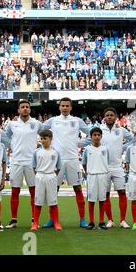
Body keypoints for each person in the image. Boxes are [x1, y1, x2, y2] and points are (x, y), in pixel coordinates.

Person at [41, 97, 90, 228]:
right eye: (62, 105)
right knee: (53, 190)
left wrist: (80, 143)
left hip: (73, 159)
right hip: (57, 160)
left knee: (78, 188)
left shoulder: (77, 121)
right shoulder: (53, 121)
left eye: (67, 106)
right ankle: (52, 219)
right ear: (59, 107)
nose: (65, 108)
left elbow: (91, 134)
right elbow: (40, 130)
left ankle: (82, 219)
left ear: (71, 107)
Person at [4, 100, 45, 229]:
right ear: (18, 110)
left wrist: (40, 149)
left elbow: (46, 135)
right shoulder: (12, 124)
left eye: (27, 107)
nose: (25, 109)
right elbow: (5, 137)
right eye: (22, 107)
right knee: (15, 191)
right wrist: (13, 146)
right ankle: (14, 220)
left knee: (34, 192)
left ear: (30, 109)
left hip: (31, 163)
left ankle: (35, 220)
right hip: (16, 161)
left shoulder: (36, 123)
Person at [100, 107, 134, 229]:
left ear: (115, 117)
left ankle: (123, 220)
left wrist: (123, 148)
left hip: (118, 166)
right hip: (103, 167)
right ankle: (110, 220)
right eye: (107, 115)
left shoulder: (121, 130)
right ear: (104, 117)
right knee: (106, 194)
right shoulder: (100, 130)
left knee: (122, 193)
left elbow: (133, 139)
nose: (109, 117)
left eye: (111, 115)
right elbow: (91, 141)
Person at [31, 130, 62, 231]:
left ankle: (56, 222)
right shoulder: (37, 152)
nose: (43, 140)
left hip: (51, 176)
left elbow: (59, 167)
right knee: (38, 201)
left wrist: (52, 175)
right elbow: (34, 166)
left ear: (51, 139)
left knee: (53, 201)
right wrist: (39, 175)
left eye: (45, 138)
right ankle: (35, 223)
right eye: (42, 138)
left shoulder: (55, 152)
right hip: (40, 176)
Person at [82, 127, 110, 230]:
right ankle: (91, 222)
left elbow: (107, 161)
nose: (97, 137)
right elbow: (84, 163)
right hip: (92, 176)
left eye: (98, 135)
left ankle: (102, 222)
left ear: (101, 136)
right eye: (94, 135)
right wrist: (89, 172)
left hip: (103, 175)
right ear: (91, 136)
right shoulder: (87, 149)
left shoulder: (105, 149)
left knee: (102, 199)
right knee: (91, 200)